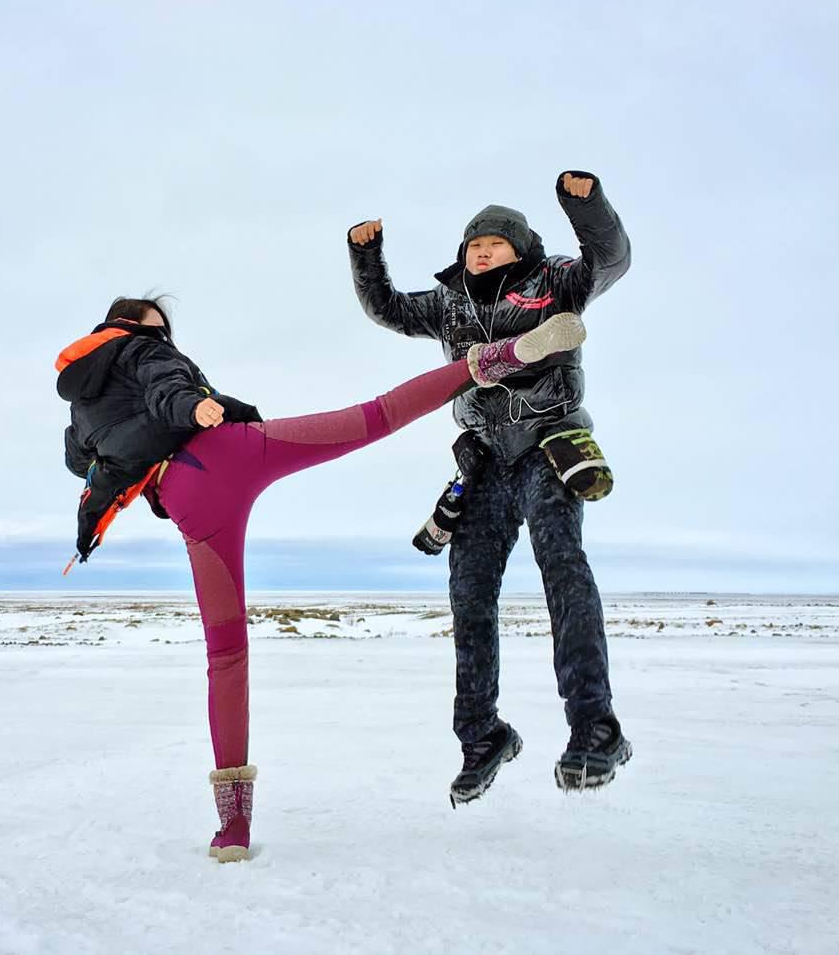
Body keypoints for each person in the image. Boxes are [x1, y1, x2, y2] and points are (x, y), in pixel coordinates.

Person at [56, 296, 588, 860]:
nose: (166, 339)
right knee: (373, 417)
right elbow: (165, 382)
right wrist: (193, 407)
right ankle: (496, 360)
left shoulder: (81, 398)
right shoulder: (142, 349)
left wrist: (188, 415)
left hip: (186, 500)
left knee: (226, 656)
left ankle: (233, 828)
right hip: (221, 452)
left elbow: (80, 461)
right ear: (127, 323)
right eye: (157, 327)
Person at [347, 170, 633, 802]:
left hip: (546, 445)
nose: (482, 249)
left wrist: (584, 205)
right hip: (482, 460)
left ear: (522, 246)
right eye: (474, 242)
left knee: (563, 568)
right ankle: (482, 735)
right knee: (469, 595)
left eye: (496, 242)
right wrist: (366, 255)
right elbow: (387, 309)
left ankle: (595, 727)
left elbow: (611, 259)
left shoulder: (554, 280)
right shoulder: (448, 302)